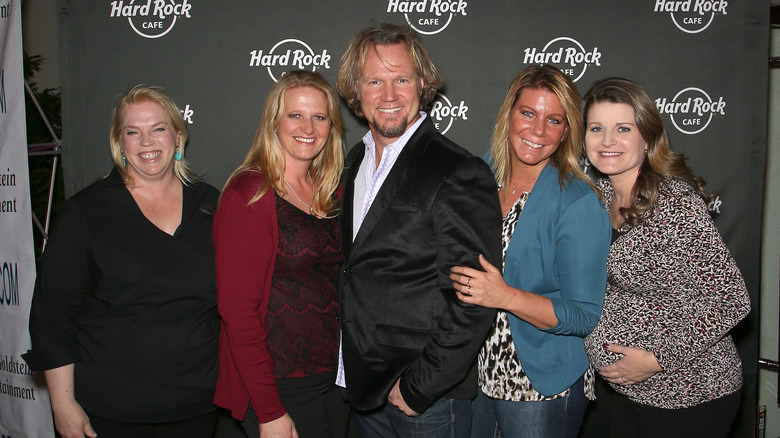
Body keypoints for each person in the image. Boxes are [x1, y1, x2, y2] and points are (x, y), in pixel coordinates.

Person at [22, 85, 220, 438]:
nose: (147, 141)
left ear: (177, 136)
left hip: (197, 405)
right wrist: (62, 404)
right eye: (133, 132)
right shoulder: (85, 212)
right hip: (108, 410)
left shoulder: (211, 205)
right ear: (120, 143)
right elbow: (52, 317)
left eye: (158, 128)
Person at [335, 23, 502, 437]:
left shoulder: (459, 171)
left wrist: (417, 388)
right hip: (362, 387)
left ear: (422, 83)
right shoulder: (354, 160)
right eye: (375, 81)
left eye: (401, 79)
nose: (388, 96)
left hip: (423, 400)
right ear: (356, 91)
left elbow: (474, 300)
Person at [580, 77, 751, 438]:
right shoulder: (599, 196)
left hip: (688, 395)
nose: (607, 141)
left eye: (623, 128)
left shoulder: (673, 203)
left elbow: (733, 300)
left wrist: (656, 359)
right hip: (625, 396)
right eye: (597, 128)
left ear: (647, 138)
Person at [449, 65, 611, 438]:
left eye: (553, 120)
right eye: (528, 113)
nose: (538, 130)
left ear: (567, 130)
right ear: (509, 114)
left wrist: (504, 296)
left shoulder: (577, 201)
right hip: (475, 374)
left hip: (539, 382)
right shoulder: (481, 175)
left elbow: (584, 315)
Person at [212, 70, 350, 438]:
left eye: (319, 117)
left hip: (336, 380)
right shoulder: (250, 194)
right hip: (280, 384)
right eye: (295, 115)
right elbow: (238, 315)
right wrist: (268, 410)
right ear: (274, 122)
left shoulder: (331, 191)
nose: (308, 126)